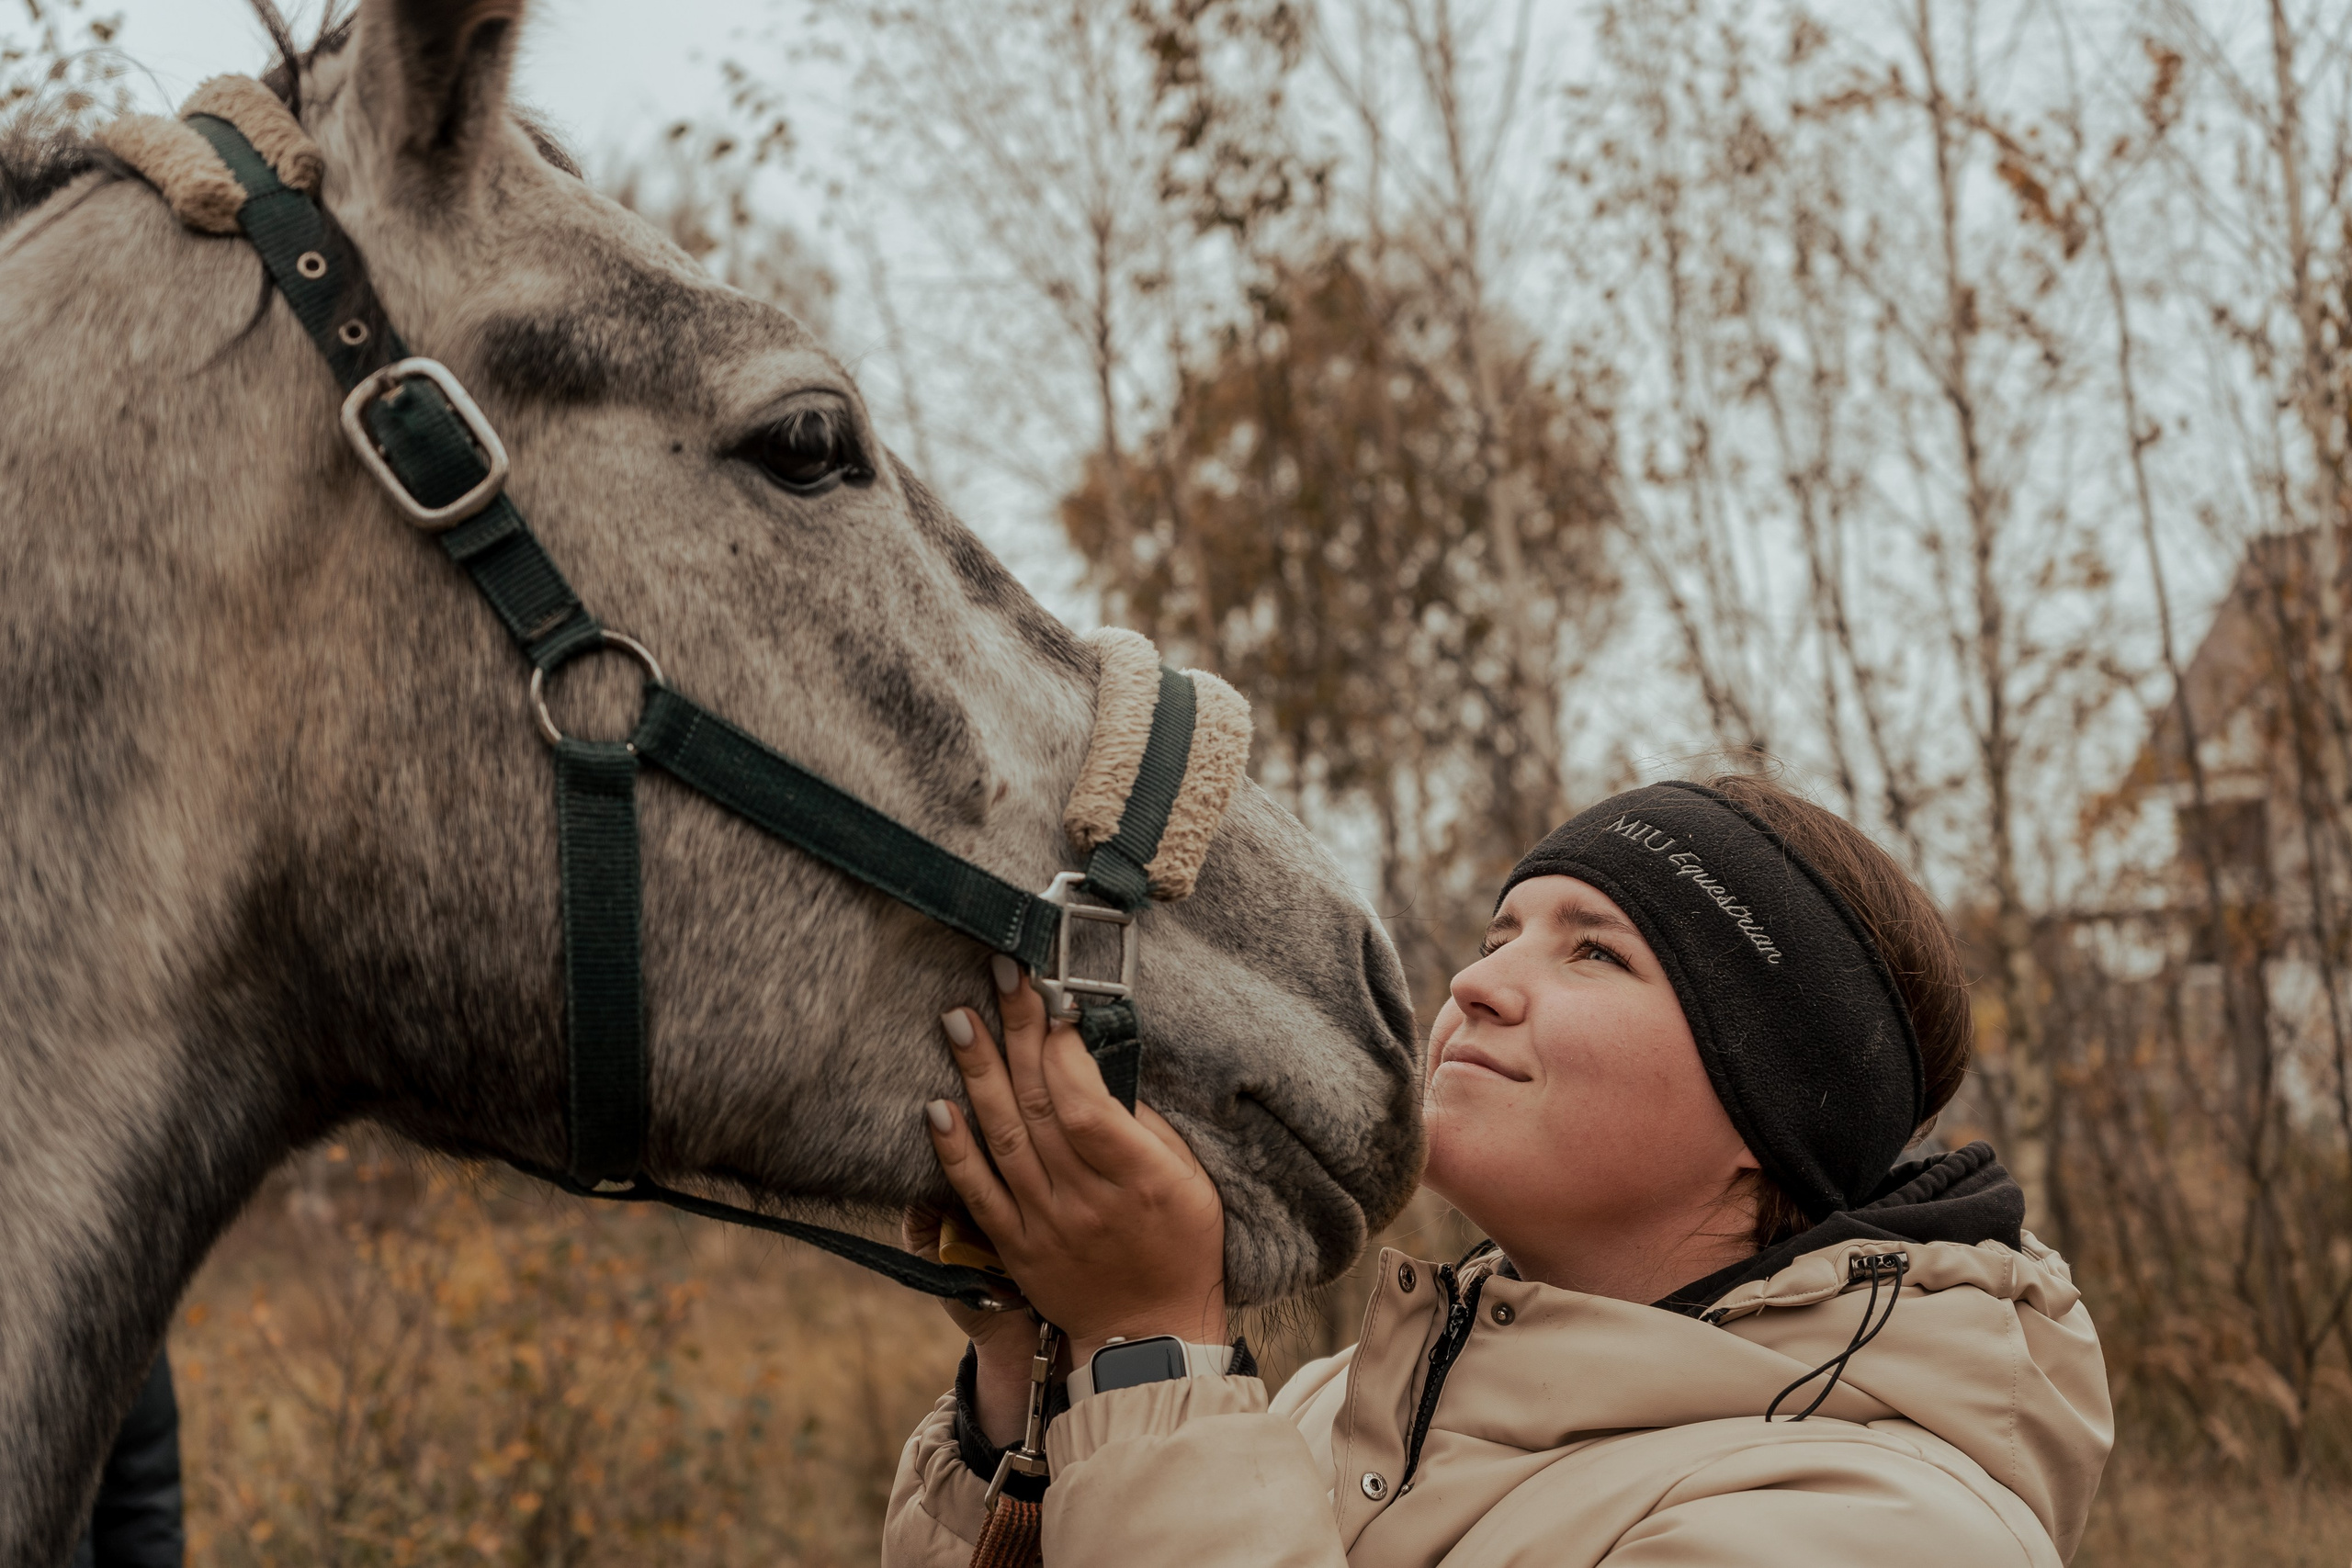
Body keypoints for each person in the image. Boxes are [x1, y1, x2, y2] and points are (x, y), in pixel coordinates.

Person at [883, 775, 2113, 1567]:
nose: (1476, 984)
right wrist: (1031, 1369)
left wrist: (1152, 1345)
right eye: (1499, 933)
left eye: (1596, 954)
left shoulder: (1883, 1524)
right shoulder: (1330, 1413)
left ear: (1769, 1110)